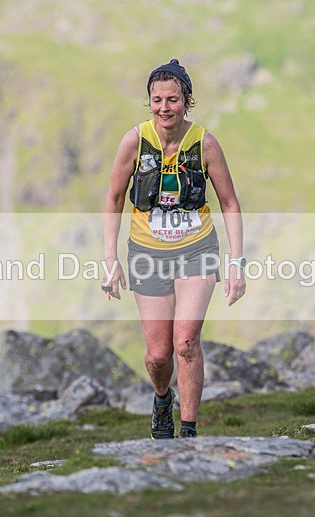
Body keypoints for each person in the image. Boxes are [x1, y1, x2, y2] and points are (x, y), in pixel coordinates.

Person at [103, 59, 246, 439]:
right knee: (159, 355)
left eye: (173, 99)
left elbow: (229, 203)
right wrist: (110, 259)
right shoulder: (135, 141)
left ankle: (188, 428)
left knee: (185, 341)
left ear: (187, 100)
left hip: (197, 249)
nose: (164, 107)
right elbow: (115, 197)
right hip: (147, 255)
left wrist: (237, 263)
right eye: (157, 99)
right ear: (149, 101)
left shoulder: (205, 143)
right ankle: (162, 398)